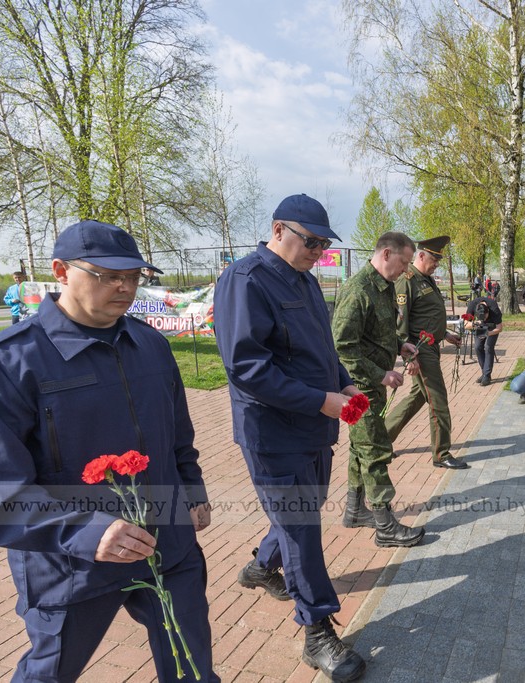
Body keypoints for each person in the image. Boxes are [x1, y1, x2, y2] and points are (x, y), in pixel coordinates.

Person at [0, 220, 217, 682]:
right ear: (60, 271)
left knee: (192, 668)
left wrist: (192, 490)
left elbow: (177, 433)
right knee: (49, 673)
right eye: (106, 275)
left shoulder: (150, 345)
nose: (124, 286)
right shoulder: (5, 364)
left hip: (166, 547)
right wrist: (86, 533)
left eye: (133, 276)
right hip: (71, 564)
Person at [213, 194, 366, 682]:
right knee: (302, 528)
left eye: (323, 244)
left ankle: (261, 567)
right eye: (311, 241)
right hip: (274, 432)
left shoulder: (305, 281)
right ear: (278, 229)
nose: (317, 251)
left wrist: (341, 382)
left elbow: (320, 350)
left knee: (302, 512)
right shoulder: (245, 280)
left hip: (313, 427)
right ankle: (317, 630)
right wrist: (321, 400)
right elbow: (246, 369)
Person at [332, 231, 425, 549]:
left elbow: (377, 333)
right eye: (404, 262)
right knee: (374, 450)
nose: (406, 270)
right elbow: (342, 346)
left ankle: (356, 510)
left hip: (373, 386)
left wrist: (401, 345)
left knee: (361, 448)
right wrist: (380, 374)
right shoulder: (358, 289)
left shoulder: (384, 287)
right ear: (386, 254)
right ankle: (385, 526)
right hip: (357, 389)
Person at [384, 236, 468, 470]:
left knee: (418, 396)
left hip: (430, 347)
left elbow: (427, 317)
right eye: (434, 260)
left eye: (438, 261)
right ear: (420, 256)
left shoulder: (426, 280)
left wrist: (445, 334)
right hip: (420, 352)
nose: (436, 264)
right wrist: (410, 358)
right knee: (437, 400)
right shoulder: (407, 280)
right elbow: (401, 324)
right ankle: (441, 453)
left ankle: (381, 440)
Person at [463, 295, 503, 386]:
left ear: (488, 311)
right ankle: (484, 372)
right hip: (479, 326)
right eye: (481, 318)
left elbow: (499, 328)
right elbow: (465, 324)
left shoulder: (494, 308)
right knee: (477, 347)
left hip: (492, 327)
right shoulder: (472, 305)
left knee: (488, 347)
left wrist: (487, 333)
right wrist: (475, 324)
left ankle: (487, 375)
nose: (484, 319)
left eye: (485, 317)